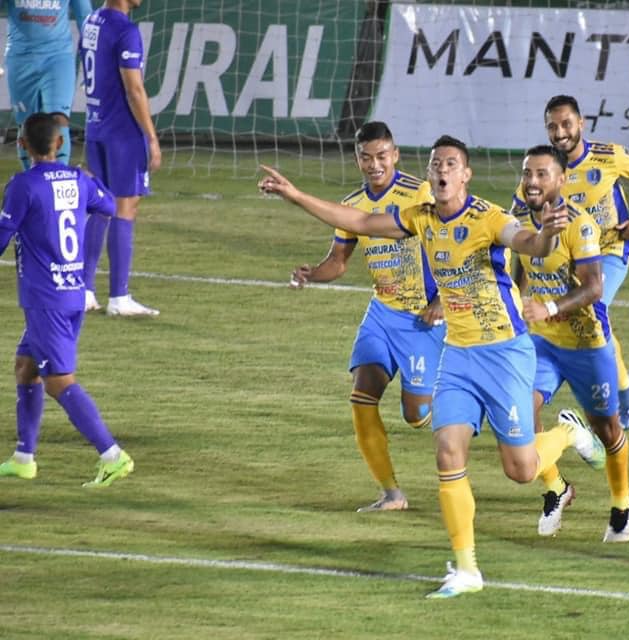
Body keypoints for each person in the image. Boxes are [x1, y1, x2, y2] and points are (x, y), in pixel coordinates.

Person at [259, 134, 607, 599]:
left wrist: (547, 232)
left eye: (451, 164)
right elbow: (361, 220)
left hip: (504, 354)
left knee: (521, 471)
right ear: (430, 175)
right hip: (459, 356)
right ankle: (467, 570)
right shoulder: (421, 217)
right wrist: (297, 195)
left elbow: (530, 243)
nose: (441, 170)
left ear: (465, 175)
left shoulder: (487, 217)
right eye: (435, 164)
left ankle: (567, 433)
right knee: (447, 452)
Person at [289, 121, 444, 512]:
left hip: (422, 320)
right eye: (366, 157)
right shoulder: (354, 204)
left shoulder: (420, 193)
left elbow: (451, 247)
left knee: (416, 416)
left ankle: (457, 394)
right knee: (362, 396)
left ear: (394, 155)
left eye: (381, 156)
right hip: (382, 314)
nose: (374, 164)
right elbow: (338, 262)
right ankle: (391, 493)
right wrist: (313, 274)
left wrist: (442, 299)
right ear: (357, 158)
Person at [0, 112, 134, 487]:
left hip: (45, 299)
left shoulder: (23, 186)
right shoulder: (78, 179)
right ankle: (24, 457)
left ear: (23, 145)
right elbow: (107, 206)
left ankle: (112, 455)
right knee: (26, 366)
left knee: (59, 381)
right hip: (72, 293)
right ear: (60, 145)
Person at [512, 144, 629, 542]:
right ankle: (557, 489)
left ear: (561, 180)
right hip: (544, 345)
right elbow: (517, 279)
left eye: (542, 174)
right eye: (528, 173)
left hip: (586, 345)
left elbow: (596, 287)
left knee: (609, 431)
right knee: (522, 414)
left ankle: (621, 504)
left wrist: (548, 306)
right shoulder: (518, 224)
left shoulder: (579, 226)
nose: (532, 181)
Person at [526, 94, 629, 430]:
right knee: (570, 322)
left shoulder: (608, 156)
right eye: (552, 126)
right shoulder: (542, 171)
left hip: (609, 250)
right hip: (565, 257)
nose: (560, 132)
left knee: (595, 306)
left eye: (566, 124)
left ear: (581, 123)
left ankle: (623, 397)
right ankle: (609, 381)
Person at [79, 0, 162, 316]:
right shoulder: (125, 30)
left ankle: (86, 291)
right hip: (123, 132)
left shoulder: (91, 22)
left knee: (100, 208)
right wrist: (151, 138)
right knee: (125, 207)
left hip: (96, 127)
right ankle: (119, 297)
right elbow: (134, 90)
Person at [3, 0, 91, 170]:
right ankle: (31, 178)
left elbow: (85, 18)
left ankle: (59, 177)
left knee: (59, 120)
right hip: (20, 59)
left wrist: (93, 62)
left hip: (58, 58)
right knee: (27, 125)